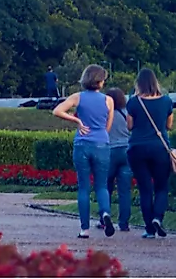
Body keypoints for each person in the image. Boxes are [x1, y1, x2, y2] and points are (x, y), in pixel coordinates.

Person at [52, 64, 114, 238]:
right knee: (102, 186)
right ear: (100, 82)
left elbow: (57, 111)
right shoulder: (108, 100)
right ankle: (105, 213)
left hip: (82, 144)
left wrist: (77, 121)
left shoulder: (77, 97)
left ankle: (84, 229)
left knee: (84, 188)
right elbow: (107, 126)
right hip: (102, 143)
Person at [126, 68, 175, 239]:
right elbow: (169, 126)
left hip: (137, 148)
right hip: (160, 148)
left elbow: (130, 126)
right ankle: (158, 218)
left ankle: (149, 229)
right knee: (161, 187)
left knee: (145, 188)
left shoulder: (133, 102)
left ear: (138, 83)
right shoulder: (167, 101)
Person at [102, 87, 131, 232]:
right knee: (124, 190)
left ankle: (104, 217)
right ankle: (124, 222)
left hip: (109, 151)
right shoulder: (127, 113)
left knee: (105, 186)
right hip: (126, 151)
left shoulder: (106, 114)